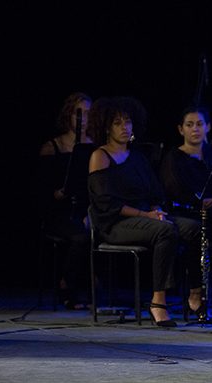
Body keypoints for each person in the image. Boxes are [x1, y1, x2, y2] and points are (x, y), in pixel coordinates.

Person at [87, 96, 202, 327]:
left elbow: (154, 193)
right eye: (118, 123)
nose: (124, 127)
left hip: (146, 218)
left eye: (127, 122)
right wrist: (146, 216)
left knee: (192, 228)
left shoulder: (137, 157)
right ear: (107, 127)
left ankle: (196, 293)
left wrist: (156, 209)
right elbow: (106, 204)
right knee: (164, 231)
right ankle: (158, 302)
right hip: (115, 224)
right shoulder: (100, 156)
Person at [160, 105, 212, 306]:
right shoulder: (174, 158)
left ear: (208, 127)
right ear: (181, 129)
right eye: (190, 125)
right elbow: (175, 191)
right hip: (189, 215)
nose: (195, 129)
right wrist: (200, 202)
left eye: (199, 124)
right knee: (199, 230)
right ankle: (195, 293)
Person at [37, 92, 93, 310]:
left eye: (89, 114)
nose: (83, 119)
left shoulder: (96, 147)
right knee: (81, 237)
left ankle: (96, 285)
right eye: (78, 113)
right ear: (68, 116)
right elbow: (42, 191)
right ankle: (67, 283)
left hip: (85, 209)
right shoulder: (54, 146)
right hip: (59, 212)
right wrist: (57, 193)